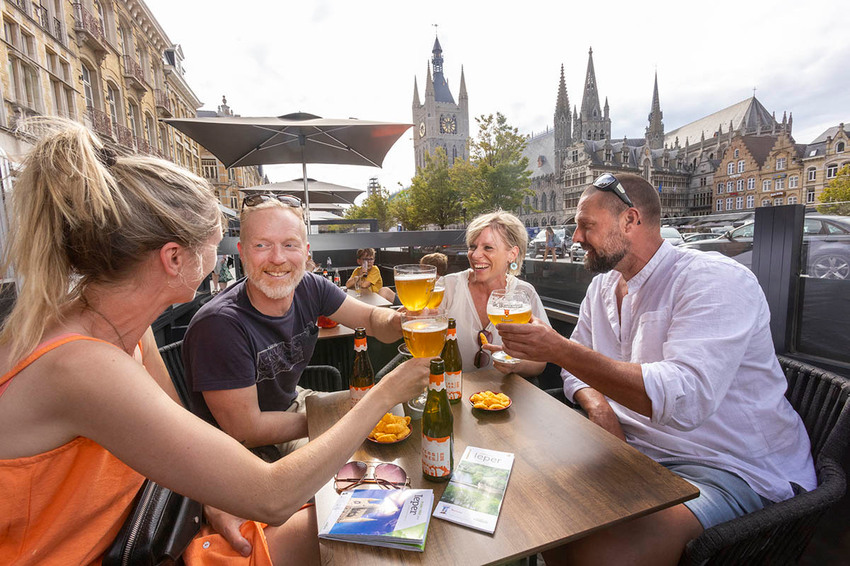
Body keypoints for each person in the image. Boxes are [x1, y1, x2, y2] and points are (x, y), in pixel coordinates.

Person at [0, 118, 429, 565]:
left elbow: (177, 430)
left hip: (157, 517)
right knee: (374, 521)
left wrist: (208, 497)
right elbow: (271, 495)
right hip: (118, 550)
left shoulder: (122, 327)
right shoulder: (82, 365)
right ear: (174, 258)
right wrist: (385, 393)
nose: (220, 255)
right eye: (217, 240)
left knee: (369, 509)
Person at [496, 172, 816, 565]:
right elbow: (577, 365)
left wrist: (559, 350)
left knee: (600, 556)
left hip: (727, 465)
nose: (575, 237)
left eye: (586, 225)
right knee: (537, 508)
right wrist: (599, 408)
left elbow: (685, 399)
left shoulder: (713, 281)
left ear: (631, 221)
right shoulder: (602, 287)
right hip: (634, 451)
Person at [183, 204, 403, 461]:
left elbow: (373, 320)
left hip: (293, 403)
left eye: (290, 245)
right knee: (353, 462)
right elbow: (244, 431)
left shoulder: (310, 287)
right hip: (241, 449)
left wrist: (399, 320)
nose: (278, 258)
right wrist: (335, 419)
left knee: (392, 412)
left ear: (306, 252)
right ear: (242, 253)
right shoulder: (219, 325)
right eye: (262, 245)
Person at [440, 210, 549, 379]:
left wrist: (515, 364)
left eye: (488, 247)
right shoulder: (448, 287)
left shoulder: (524, 294)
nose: (475, 255)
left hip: (504, 398)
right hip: (454, 393)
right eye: (472, 247)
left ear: (512, 254)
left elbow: (540, 362)